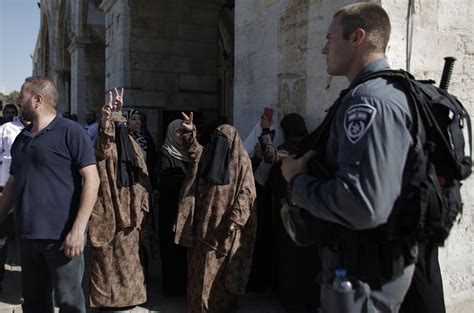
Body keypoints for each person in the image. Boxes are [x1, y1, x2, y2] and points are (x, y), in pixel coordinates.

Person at [281, 3, 416, 312]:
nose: (323, 49)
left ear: (357, 37)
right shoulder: (391, 92)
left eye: (330, 38)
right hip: (371, 273)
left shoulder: (367, 102)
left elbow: (362, 205)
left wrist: (297, 180)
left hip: (362, 281)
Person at [0, 76, 100, 313]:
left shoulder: (71, 132)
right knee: (34, 304)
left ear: (37, 99)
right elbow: (12, 185)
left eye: (21, 96)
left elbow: (92, 179)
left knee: (69, 303)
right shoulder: (21, 139)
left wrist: (78, 230)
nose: (17, 101)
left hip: (63, 239)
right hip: (27, 236)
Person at [175, 113, 257, 313]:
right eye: (216, 140)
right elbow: (194, 152)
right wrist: (189, 132)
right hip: (202, 228)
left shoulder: (242, 164)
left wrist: (235, 220)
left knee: (219, 275)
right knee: (198, 270)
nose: (219, 145)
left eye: (223, 142)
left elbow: (248, 193)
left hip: (224, 231)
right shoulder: (209, 156)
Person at [88, 88, 152, 312]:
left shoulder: (132, 146)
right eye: (121, 122)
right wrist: (108, 117)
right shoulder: (106, 147)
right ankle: (106, 299)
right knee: (106, 260)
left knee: (129, 260)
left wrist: (142, 206)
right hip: (109, 211)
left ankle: (129, 297)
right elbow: (102, 146)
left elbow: (142, 177)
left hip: (132, 214)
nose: (123, 126)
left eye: (126, 121)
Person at [157, 119, 191, 297]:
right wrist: (186, 182)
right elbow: (164, 180)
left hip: (186, 210)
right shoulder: (165, 153)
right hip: (170, 208)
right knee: (171, 247)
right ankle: (171, 288)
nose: (180, 135)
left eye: (183, 131)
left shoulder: (189, 152)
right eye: (177, 131)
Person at [0, 104, 29, 291]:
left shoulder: (40, 129)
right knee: (2, 238)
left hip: (30, 192)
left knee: (28, 237)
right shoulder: (5, 130)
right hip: (5, 188)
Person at [124, 109, 157, 191]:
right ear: (126, 121)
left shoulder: (147, 138)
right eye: (133, 119)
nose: (138, 122)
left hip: (144, 180)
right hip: (129, 180)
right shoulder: (124, 139)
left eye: (139, 119)